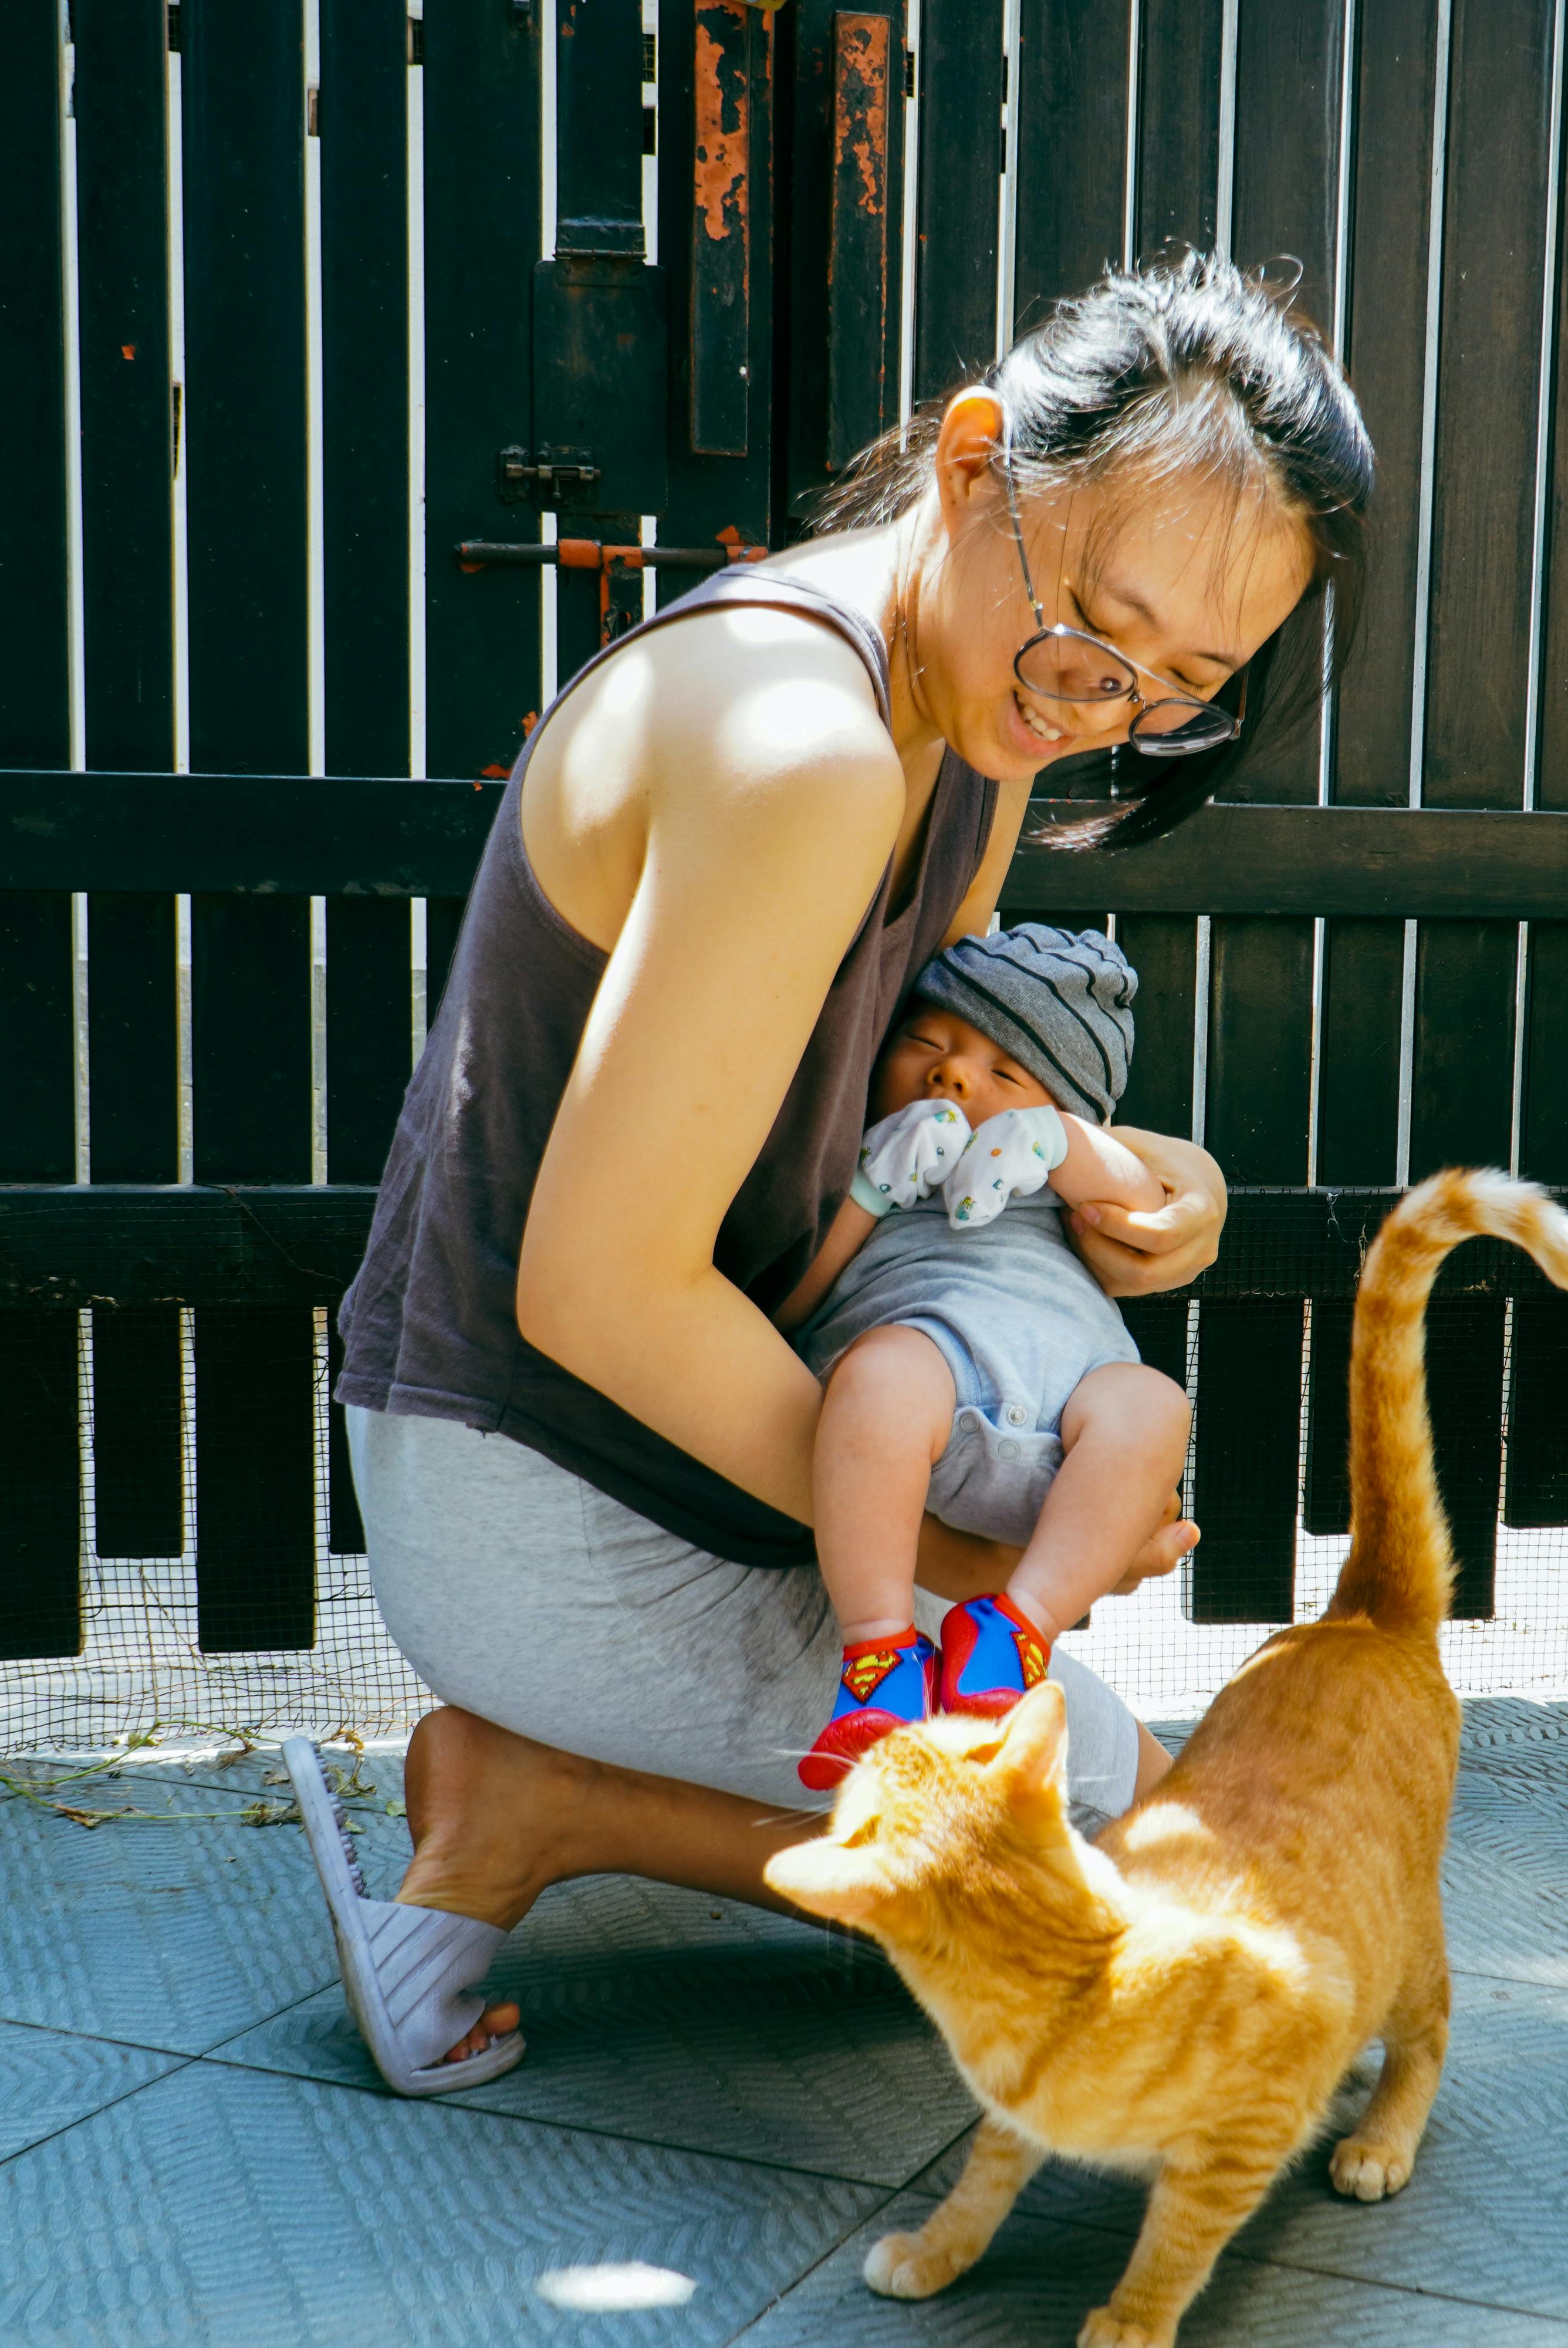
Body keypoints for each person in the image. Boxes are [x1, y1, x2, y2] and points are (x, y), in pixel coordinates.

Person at [303, 252, 1375, 2093]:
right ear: (974, 468)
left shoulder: (974, 704)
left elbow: (919, 1104)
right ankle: (539, 1797)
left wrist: (1144, 1181)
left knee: (1176, 1872)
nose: (1102, 708)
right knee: (1169, 1901)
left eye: (1185, 689)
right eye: (1095, 639)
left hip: (694, 1438)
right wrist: (965, 1553)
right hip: (537, 1487)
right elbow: (600, 1289)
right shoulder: (802, 744)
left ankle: (549, 1781)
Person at [780, 925, 1189, 1790]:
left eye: (1005, 1074)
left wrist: (1057, 1147)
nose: (955, 1075)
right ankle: (881, 1659)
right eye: (929, 1043)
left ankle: (1012, 1632)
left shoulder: (1064, 1172)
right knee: (882, 1372)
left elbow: (1146, 1192)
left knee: (1152, 1403)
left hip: (1069, 1420)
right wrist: (869, 1188)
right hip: (919, 1402)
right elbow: (797, 1301)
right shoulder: (869, 1168)